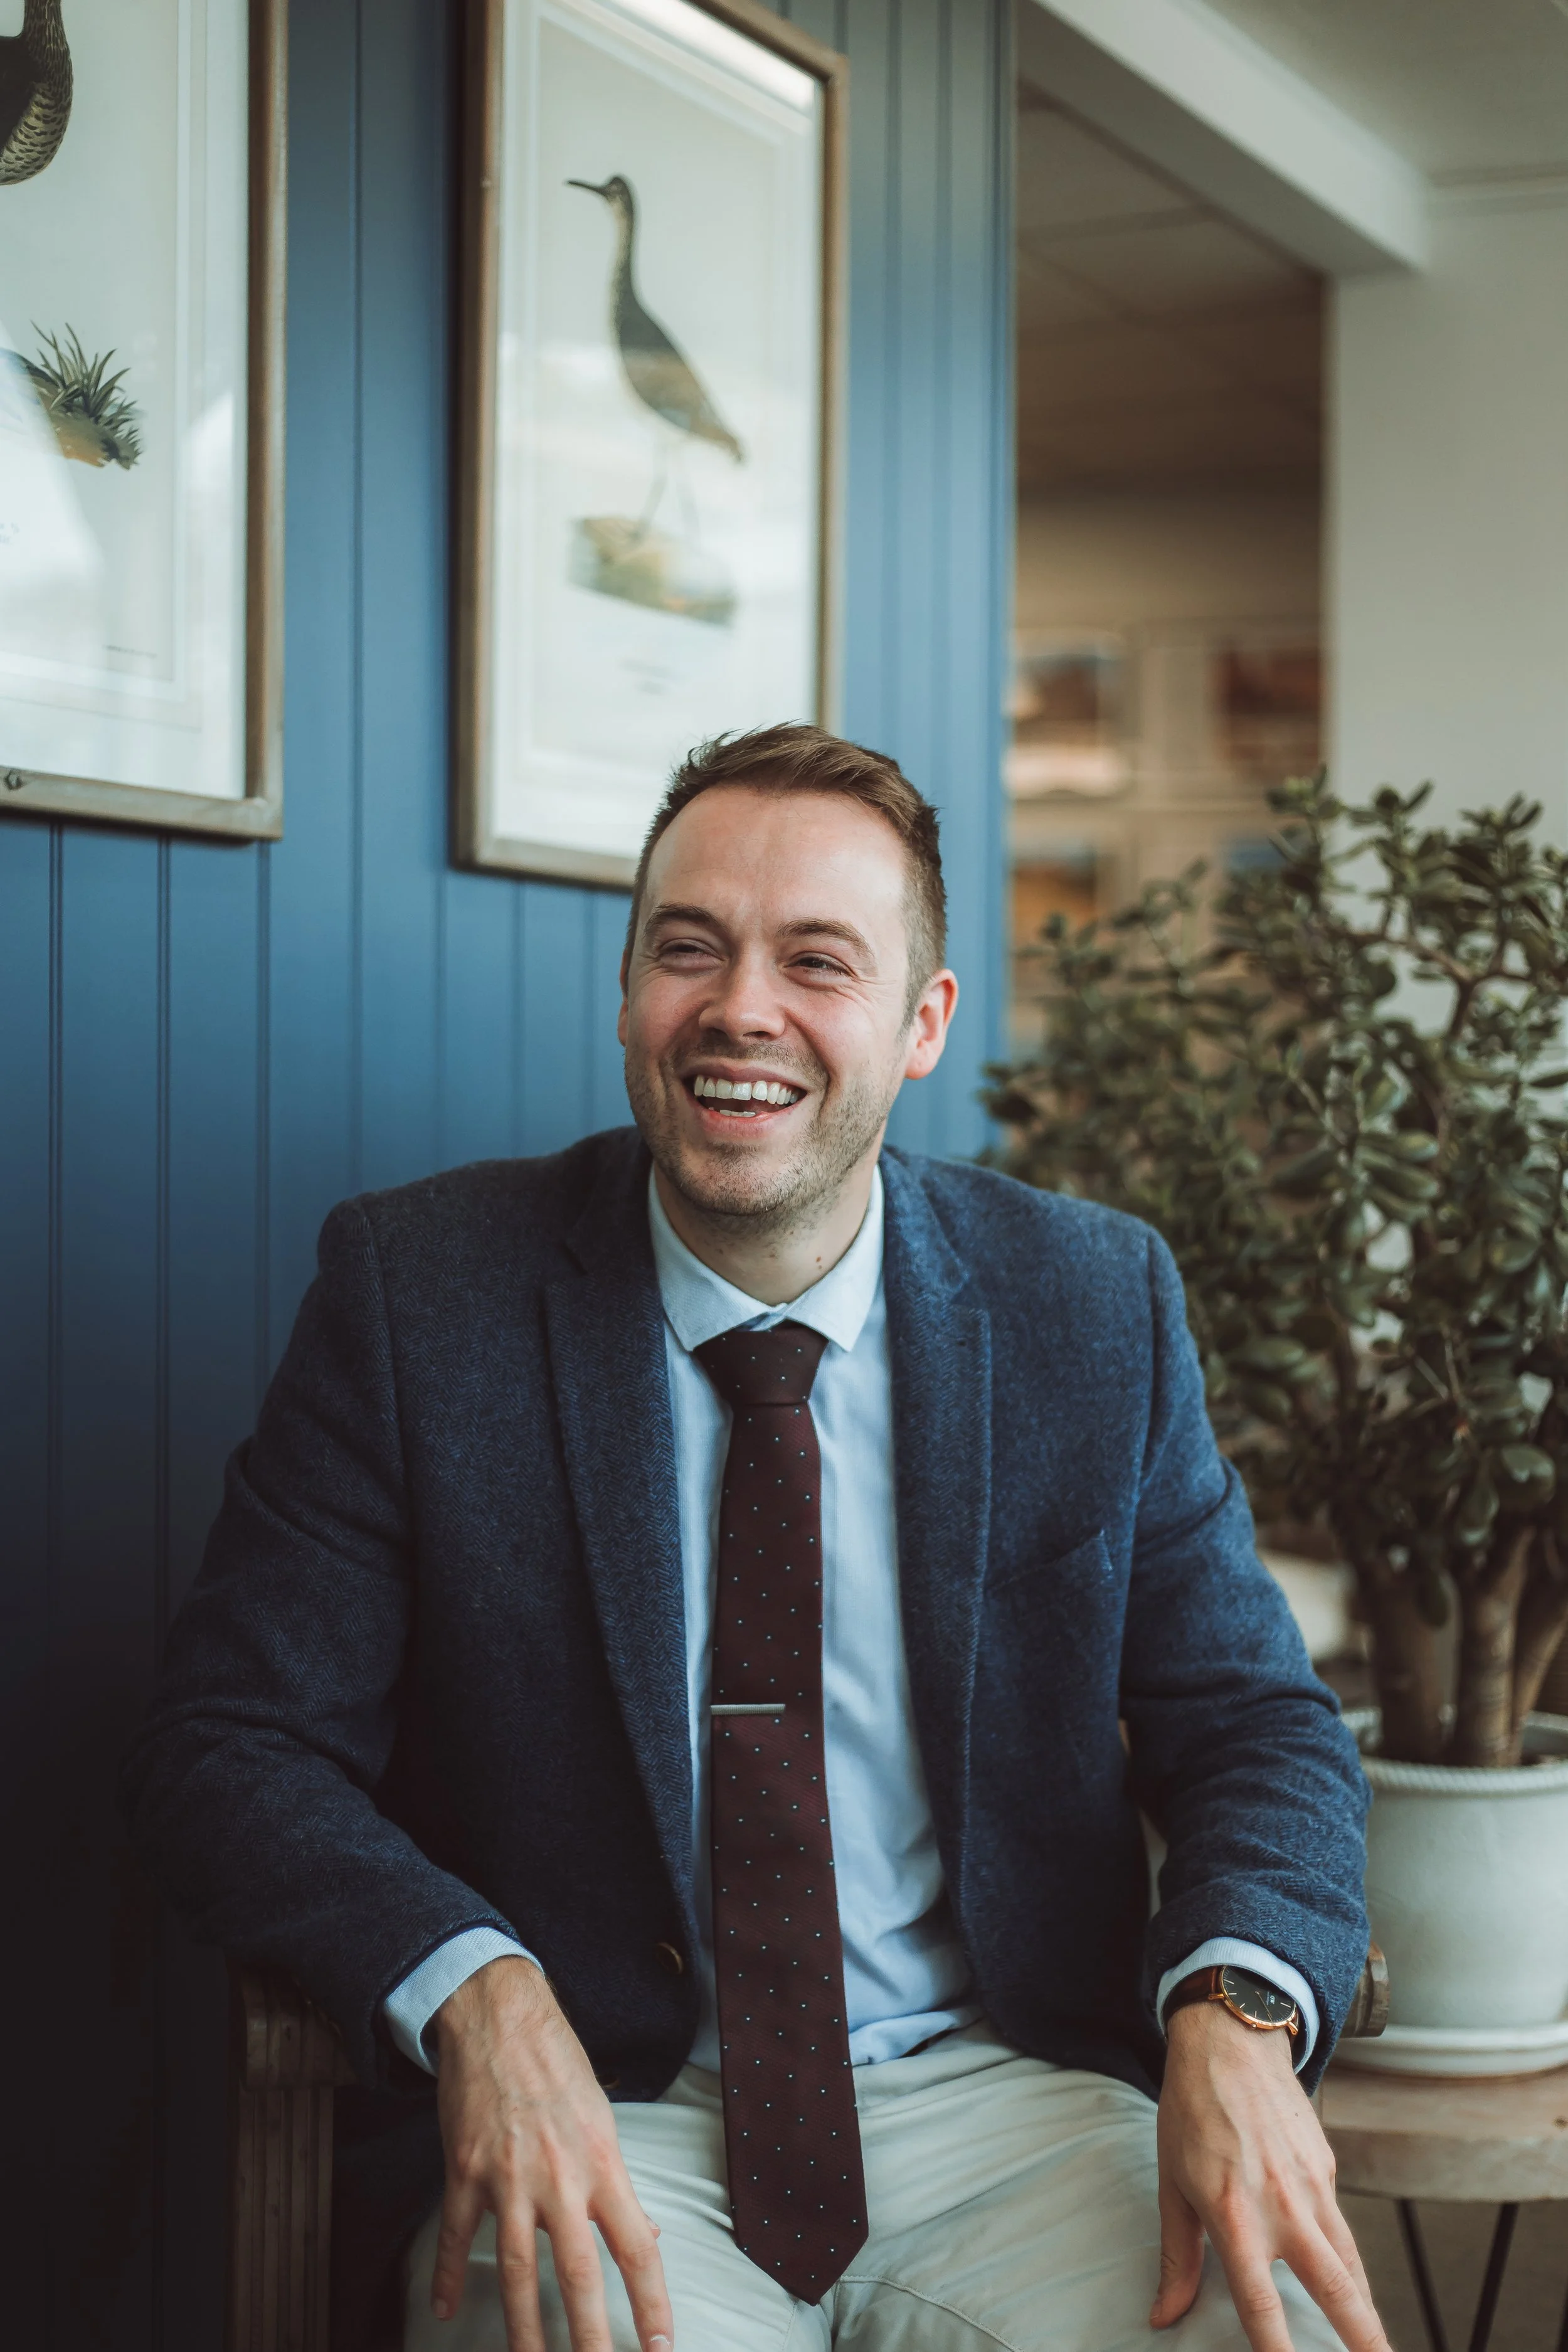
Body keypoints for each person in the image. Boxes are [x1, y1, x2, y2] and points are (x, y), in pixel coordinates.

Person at [124, 725, 1384, 2352]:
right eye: (688, 947)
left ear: (922, 1023)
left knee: (1272, 2318)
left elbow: (1256, 1721)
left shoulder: (1086, 1300)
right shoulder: (416, 1295)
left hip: (1001, 2097)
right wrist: (473, 1989)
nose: (740, 1008)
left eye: (818, 961)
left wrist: (1233, 2010)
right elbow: (226, 1743)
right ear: (631, 986)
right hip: (603, 2102)